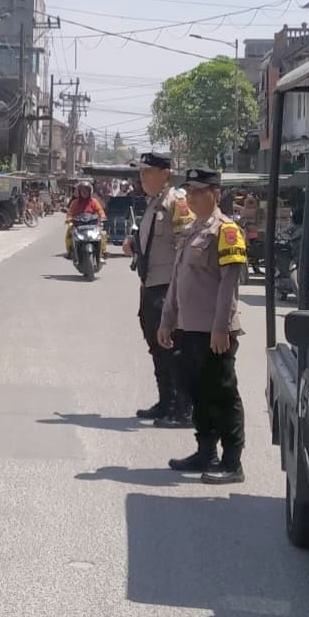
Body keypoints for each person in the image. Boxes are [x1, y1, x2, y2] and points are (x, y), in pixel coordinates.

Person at [159, 167, 247, 484]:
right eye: (190, 192)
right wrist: (168, 319)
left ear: (214, 193)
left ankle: (232, 462)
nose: (192, 197)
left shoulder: (226, 231)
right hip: (190, 329)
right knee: (198, 393)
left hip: (214, 332)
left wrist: (221, 327)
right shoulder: (191, 230)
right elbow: (177, 280)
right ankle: (205, 452)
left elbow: (229, 285)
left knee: (222, 395)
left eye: (198, 192)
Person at [123, 152, 194, 428]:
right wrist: (133, 244)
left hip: (167, 286)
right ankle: (165, 402)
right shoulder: (154, 203)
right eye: (141, 172)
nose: (142, 177)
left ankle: (181, 408)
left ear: (165, 173)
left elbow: (184, 245)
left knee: (171, 347)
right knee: (156, 346)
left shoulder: (176, 201)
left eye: (147, 172)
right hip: (150, 283)